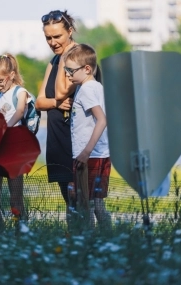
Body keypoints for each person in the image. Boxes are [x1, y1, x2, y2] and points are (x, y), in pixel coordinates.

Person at [35, 10, 77, 216]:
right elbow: (39, 102)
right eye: (48, 38)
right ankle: (74, 244)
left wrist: (65, 56)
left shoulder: (79, 57)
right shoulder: (53, 62)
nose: (52, 42)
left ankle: (96, 242)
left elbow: (62, 90)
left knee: (85, 203)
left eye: (57, 36)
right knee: (69, 203)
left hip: (78, 143)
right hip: (56, 140)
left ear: (70, 31)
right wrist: (56, 104)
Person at [64, 44, 111, 226]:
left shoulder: (86, 90)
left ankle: (88, 242)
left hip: (89, 157)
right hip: (103, 154)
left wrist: (86, 152)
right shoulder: (97, 87)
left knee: (86, 204)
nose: (67, 74)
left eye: (70, 70)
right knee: (98, 204)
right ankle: (109, 237)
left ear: (87, 69)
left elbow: (102, 120)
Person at [0, 53, 31, 227]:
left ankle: (21, 233)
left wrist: (6, 128)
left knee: (16, 199)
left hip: (14, 150)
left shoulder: (20, 92)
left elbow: (19, 112)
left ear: (11, 75)